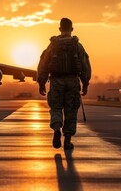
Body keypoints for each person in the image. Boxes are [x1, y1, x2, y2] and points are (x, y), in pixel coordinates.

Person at [37, 18, 91, 150]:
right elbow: (85, 65)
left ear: (60, 29)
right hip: (72, 82)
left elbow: (43, 64)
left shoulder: (52, 45)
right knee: (71, 111)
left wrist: (41, 82)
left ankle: (56, 130)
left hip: (56, 81)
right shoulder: (77, 46)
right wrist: (85, 83)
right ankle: (67, 141)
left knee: (56, 108)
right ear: (72, 29)